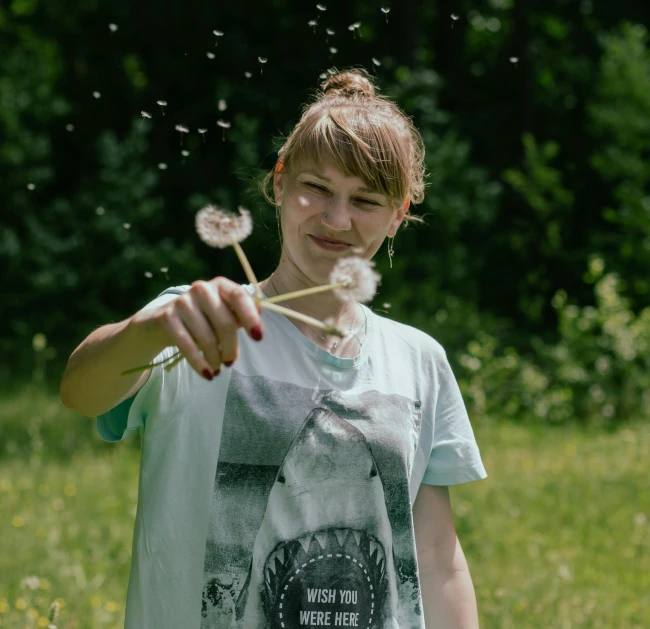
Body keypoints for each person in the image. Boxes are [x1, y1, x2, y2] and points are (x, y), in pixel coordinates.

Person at [61, 68, 487, 629]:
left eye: (365, 199)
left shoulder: (419, 360)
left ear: (398, 212)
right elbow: (80, 392)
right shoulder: (195, 318)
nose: (337, 220)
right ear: (279, 182)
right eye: (317, 188)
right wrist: (150, 329)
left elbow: (435, 556)